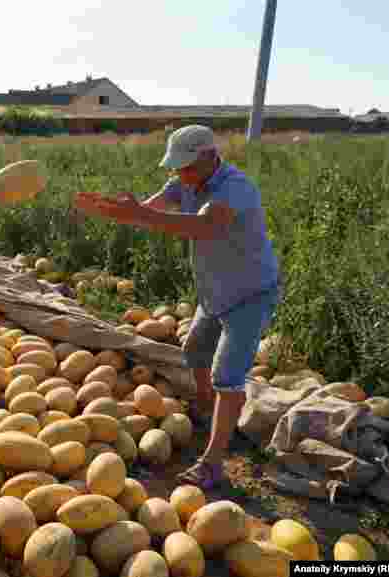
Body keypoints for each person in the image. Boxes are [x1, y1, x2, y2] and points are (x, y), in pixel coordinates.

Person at [73, 125, 281, 489]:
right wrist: (114, 211)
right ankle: (206, 410)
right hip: (215, 291)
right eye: (177, 167)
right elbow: (148, 211)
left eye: (186, 166)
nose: (180, 174)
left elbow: (205, 227)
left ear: (209, 156)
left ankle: (213, 463)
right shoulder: (184, 181)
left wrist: (142, 214)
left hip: (249, 293)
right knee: (194, 350)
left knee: (228, 378)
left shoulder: (236, 187)